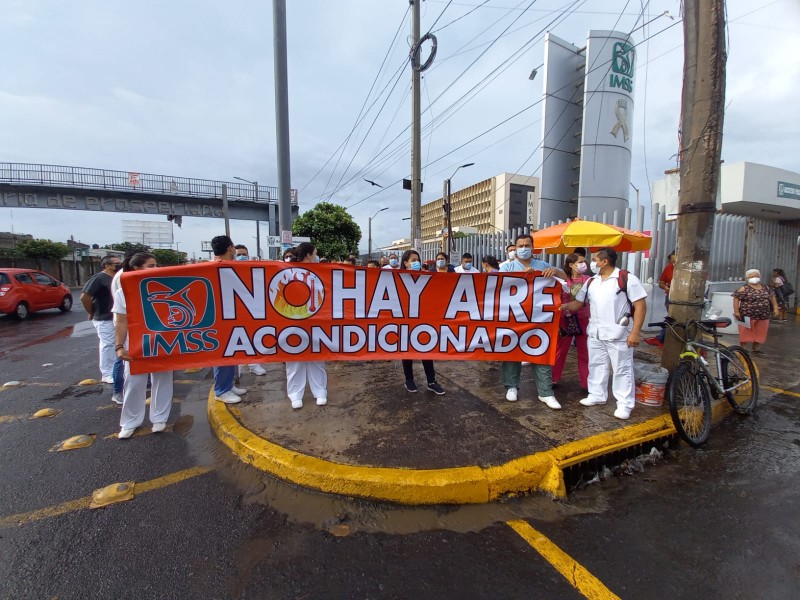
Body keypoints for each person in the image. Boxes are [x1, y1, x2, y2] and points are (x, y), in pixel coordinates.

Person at [560, 247, 647, 420]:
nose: (590, 263)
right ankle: (597, 395)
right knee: (596, 365)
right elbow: (578, 303)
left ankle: (624, 404)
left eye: (594, 260)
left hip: (619, 333)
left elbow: (640, 306)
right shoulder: (592, 281)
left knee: (622, 369)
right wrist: (563, 307)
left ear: (604, 261)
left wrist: (635, 332)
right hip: (595, 332)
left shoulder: (626, 279)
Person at [499, 234, 568, 410]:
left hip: (539, 318)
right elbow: (496, 288)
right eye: (520, 245)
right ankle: (511, 386)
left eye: (526, 244)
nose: (523, 248)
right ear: (515, 248)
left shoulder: (543, 265)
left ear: (533, 246)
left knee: (541, 351)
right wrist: (520, 277)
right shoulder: (507, 267)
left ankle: (545, 392)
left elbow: (565, 279)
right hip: (513, 317)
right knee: (511, 351)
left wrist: (556, 272)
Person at [112, 252, 175, 439]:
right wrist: (119, 346)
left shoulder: (164, 289)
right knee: (133, 383)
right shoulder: (123, 292)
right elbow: (120, 322)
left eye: (156, 265)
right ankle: (130, 422)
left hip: (162, 342)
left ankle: (160, 418)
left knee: (163, 380)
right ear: (137, 269)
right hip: (136, 344)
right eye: (151, 266)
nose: (156, 269)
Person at [285, 242, 329, 409]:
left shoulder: (321, 272)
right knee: (294, 359)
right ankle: (295, 394)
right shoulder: (287, 271)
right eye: (315, 253)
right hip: (292, 320)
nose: (316, 256)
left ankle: (320, 391)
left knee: (316, 358)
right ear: (309, 255)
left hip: (316, 320)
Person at [398, 249, 445, 395]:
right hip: (405, 318)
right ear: (405, 263)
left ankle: (431, 381)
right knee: (407, 351)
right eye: (413, 260)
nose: (416, 262)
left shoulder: (426, 277)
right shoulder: (397, 278)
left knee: (426, 349)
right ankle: (409, 380)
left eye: (417, 260)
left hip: (423, 319)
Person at [211, 235, 248, 403]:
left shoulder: (228, 266)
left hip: (230, 316)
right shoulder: (215, 267)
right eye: (233, 247)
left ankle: (228, 384)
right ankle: (221, 390)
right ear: (230, 248)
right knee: (222, 355)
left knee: (231, 352)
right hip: (220, 318)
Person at [80, 255, 122, 385]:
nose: (119, 265)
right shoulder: (98, 278)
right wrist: (92, 312)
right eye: (116, 263)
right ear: (107, 265)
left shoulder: (115, 278)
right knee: (107, 345)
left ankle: (116, 371)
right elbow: (85, 297)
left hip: (116, 317)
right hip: (103, 317)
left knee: (117, 344)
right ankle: (107, 373)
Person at [552, 253, 590, 392]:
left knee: (584, 352)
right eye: (580, 262)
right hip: (564, 320)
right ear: (571, 265)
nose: (583, 264)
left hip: (583, 319)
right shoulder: (562, 281)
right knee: (560, 351)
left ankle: (586, 382)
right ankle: (553, 378)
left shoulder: (589, 280)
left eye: (584, 262)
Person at [231, 244, 267, 376]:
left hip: (251, 310)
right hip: (233, 310)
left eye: (243, 254)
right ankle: (237, 366)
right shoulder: (227, 269)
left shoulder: (253, 269)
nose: (241, 257)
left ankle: (253, 364)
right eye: (238, 254)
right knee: (235, 340)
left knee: (252, 337)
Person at [733, 269, 779, 354]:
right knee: (745, 330)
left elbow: (772, 297)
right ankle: (743, 348)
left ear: (759, 277)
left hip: (763, 314)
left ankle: (756, 347)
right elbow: (736, 298)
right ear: (748, 278)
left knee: (760, 330)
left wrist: (776, 308)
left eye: (756, 276)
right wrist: (736, 311)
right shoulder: (744, 288)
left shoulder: (765, 287)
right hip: (747, 314)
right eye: (752, 276)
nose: (754, 278)